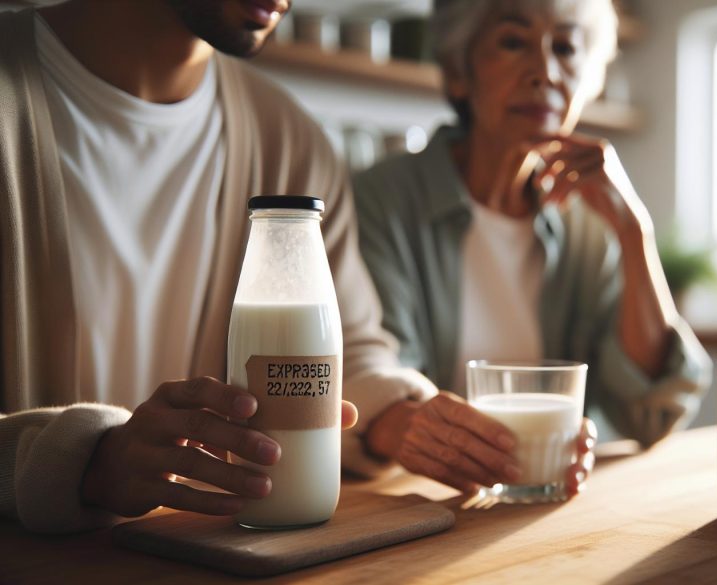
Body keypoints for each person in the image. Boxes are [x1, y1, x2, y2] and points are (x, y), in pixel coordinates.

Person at [0, 0, 436, 534]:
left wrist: (397, 414)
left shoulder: (291, 140)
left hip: (212, 554)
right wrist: (76, 459)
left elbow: (346, 350)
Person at [353, 0, 712, 495]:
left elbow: (648, 413)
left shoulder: (589, 223)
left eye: (565, 48)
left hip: (544, 504)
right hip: (413, 503)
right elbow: (377, 381)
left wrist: (635, 232)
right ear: (460, 72)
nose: (544, 71)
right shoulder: (381, 198)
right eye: (513, 42)